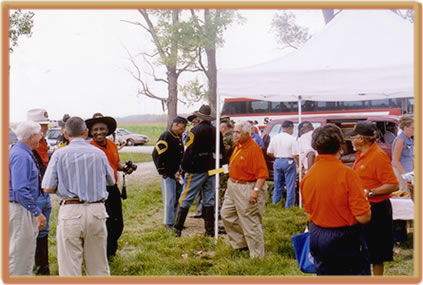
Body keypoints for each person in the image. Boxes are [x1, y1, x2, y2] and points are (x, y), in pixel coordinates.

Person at [42, 116, 115, 276]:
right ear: (86, 132)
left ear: (66, 135)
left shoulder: (59, 155)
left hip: (71, 209)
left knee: (69, 266)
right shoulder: (99, 154)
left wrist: (66, 186)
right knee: (99, 265)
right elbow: (111, 181)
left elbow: (47, 187)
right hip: (96, 209)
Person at [300, 124, 371, 275]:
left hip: (317, 235)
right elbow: (363, 217)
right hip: (343, 238)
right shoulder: (347, 175)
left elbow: (309, 214)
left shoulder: (307, 177)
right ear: (340, 146)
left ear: (316, 146)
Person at [347, 121, 399, 276]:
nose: (351, 140)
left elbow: (393, 185)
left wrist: (369, 192)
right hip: (364, 209)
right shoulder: (362, 155)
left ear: (361, 139)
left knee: (376, 254)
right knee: (363, 251)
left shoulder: (378, 156)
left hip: (377, 210)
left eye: (353, 137)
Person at [86, 113, 133, 260]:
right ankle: (103, 254)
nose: (99, 132)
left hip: (112, 188)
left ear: (108, 130)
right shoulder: (88, 148)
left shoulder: (112, 145)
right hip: (97, 191)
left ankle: (111, 250)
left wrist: (125, 167)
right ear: (90, 131)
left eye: (102, 129)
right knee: (103, 224)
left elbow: (115, 163)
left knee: (117, 223)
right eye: (95, 130)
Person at [173, 104, 226, 237]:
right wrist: (222, 167)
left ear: (199, 117)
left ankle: (177, 229)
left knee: (186, 197)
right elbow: (222, 152)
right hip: (212, 169)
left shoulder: (195, 131)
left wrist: (183, 168)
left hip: (196, 169)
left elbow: (189, 151)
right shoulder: (217, 132)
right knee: (209, 199)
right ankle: (209, 231)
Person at [221, 121, 269, 258]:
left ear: (248, 134)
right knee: (226, 214)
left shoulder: (254, 149)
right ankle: (241, 244)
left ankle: (257, 256)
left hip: (247, 187)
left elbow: (262, 175)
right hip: (233, 186)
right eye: (234, 132)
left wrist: (255, 191)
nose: (234, 135)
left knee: (250, 222)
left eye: (238, 132)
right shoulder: (238, 146)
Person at [9, 121, 46, 276]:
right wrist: (37, 212)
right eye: (39, 134)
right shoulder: (21, 156)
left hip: (20, 207)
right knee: (19, 256)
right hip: (20, 209)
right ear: (32, 137)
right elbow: (20, 189)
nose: (41, 137)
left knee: (22, 254)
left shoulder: (19, 152)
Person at [27, 108, 52, 275]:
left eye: (46, 126)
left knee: (44, 231)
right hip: (35, 196)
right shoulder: (26, 148)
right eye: (42, 126)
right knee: (34, 232)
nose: (45, 130)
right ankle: (36, 268)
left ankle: (43, 268)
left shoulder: (43, 145)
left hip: (44, 194)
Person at [152, 116, 187, 229]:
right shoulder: (166, 136)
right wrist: (163, 171)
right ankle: (169, 223)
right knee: (170, 198)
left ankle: (176, 222)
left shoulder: (177, 136)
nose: (184, 129)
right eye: (182, 127)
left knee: (178, 198)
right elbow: (157, 154)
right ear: (175, 124)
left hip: (178, 173)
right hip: (168, 173)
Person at [267, 120, 299, 207]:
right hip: (289, 161)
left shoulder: (275, 138)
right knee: (290, 186)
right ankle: (289, 206)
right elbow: (295, 154)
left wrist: (277, 157)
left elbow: (269, 152)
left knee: (278, 185)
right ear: (289, 128)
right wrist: (299, 164)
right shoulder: (292, 139)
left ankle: (275, 204)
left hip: (277, 161)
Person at [392, 115, 414, 191]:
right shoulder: (400, 140)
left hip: (408, 170)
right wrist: (404, 175)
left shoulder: (409, 139)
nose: (414, 130)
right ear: (406, 128)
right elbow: (395, 160)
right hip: (401, 171)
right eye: (412, 128)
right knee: (404, 192)